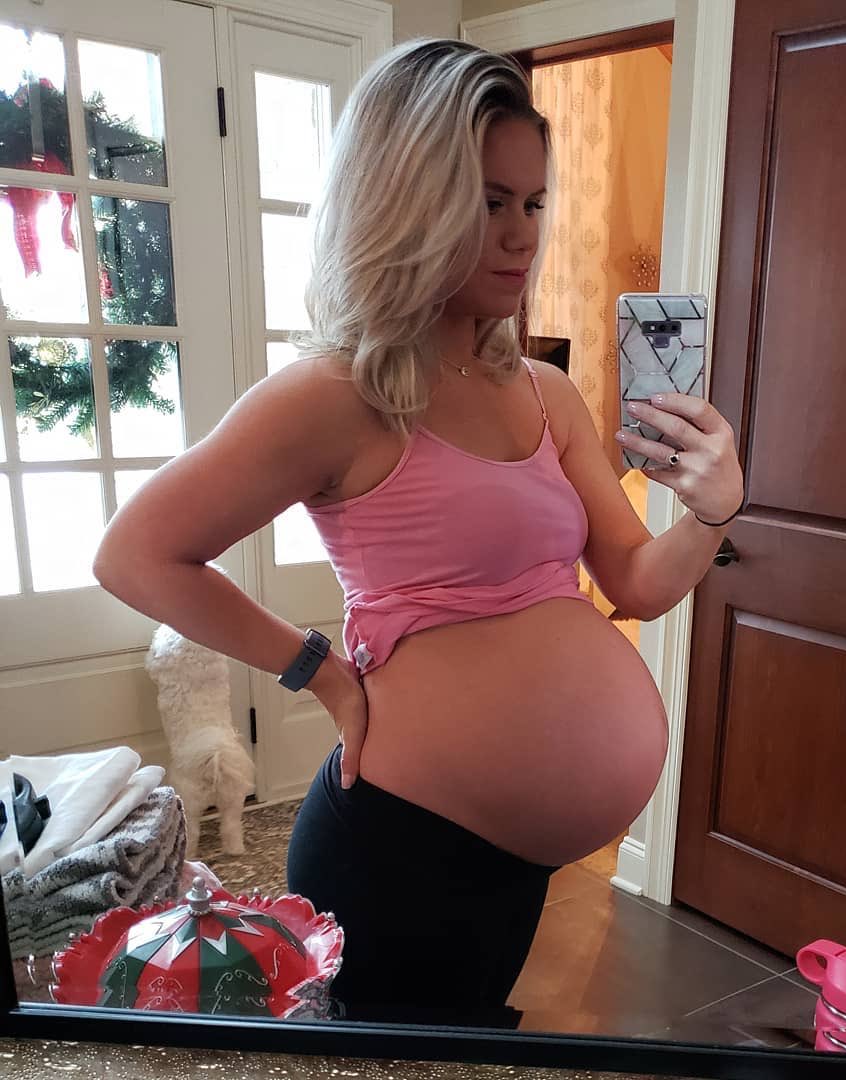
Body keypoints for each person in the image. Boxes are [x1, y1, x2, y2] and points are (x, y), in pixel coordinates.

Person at [93, 38, 744, 1026]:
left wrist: (710, 509)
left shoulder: (547, 392)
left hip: (516, 861)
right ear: (406, 200)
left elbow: (640, 585)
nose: (522, 235)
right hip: (398, 850)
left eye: (534, 202)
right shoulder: (336, 393)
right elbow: (136, 554)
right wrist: (319, 670)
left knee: (470, 1041)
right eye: (488, 203)